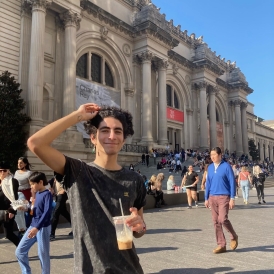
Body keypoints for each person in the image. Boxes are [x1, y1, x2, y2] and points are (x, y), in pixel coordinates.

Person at [27, 103, 146, 274]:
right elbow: (35, 143)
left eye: (118, 131)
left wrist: (140, 226)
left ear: (123, 139)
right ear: (93, 137)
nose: (112, 136)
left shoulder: (134, 179)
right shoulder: (77, 171)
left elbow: (139, 231)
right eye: (104, 130)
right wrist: (78, 115)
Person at [16, 172, 53, 274]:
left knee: (43, 255)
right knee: (20, 251)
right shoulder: (37, 194)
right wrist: (26, 209)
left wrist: (37, 228)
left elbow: (46, 212)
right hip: (33, 226)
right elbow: (35, 211)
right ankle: (26, 272)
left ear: (40, 182)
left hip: (42, 228)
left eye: (32, 184)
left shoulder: (47, 194)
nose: (31, 186)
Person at [205, 147, 238, 254]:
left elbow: (232, 182)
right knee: (215, 221)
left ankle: (233, 235)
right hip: (212, 196)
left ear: (220, 155)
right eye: (211, 155)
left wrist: (232, 198)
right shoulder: (209, 168)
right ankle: (221, 244)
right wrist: (206, 198)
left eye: (214, 154)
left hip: (224, 196)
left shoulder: (226, 166)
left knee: (222, 219)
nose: (212, 157)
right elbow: (208, 183)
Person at [0, 161, 20, 247]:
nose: (2, 172)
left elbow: (15, 197)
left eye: (4, 170)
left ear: (8, 171)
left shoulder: (12, 181)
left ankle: (21, 249)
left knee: (9, 234)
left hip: (8, 210)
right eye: (0, 171)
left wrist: (12, 210)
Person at [48, 176, 73, 241]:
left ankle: (51, 234)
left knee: (55, 213)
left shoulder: (65, 174)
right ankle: (75, 228)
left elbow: (71, 182)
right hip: (57, 195)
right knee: (64, 212)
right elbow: (48, 183)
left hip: (62, 195)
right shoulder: (55, 177)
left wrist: (64, 190)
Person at [14, 157, 33, 237]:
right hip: (17, 193)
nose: (19, 164)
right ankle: (22, 229)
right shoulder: (16, 172)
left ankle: (26, 229)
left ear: (25, 164)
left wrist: (33, 196)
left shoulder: (29, 173)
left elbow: (32, 185)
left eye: (21, 163)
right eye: (18, 163)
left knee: (26, 211)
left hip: (26, 193)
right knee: (19, 211)